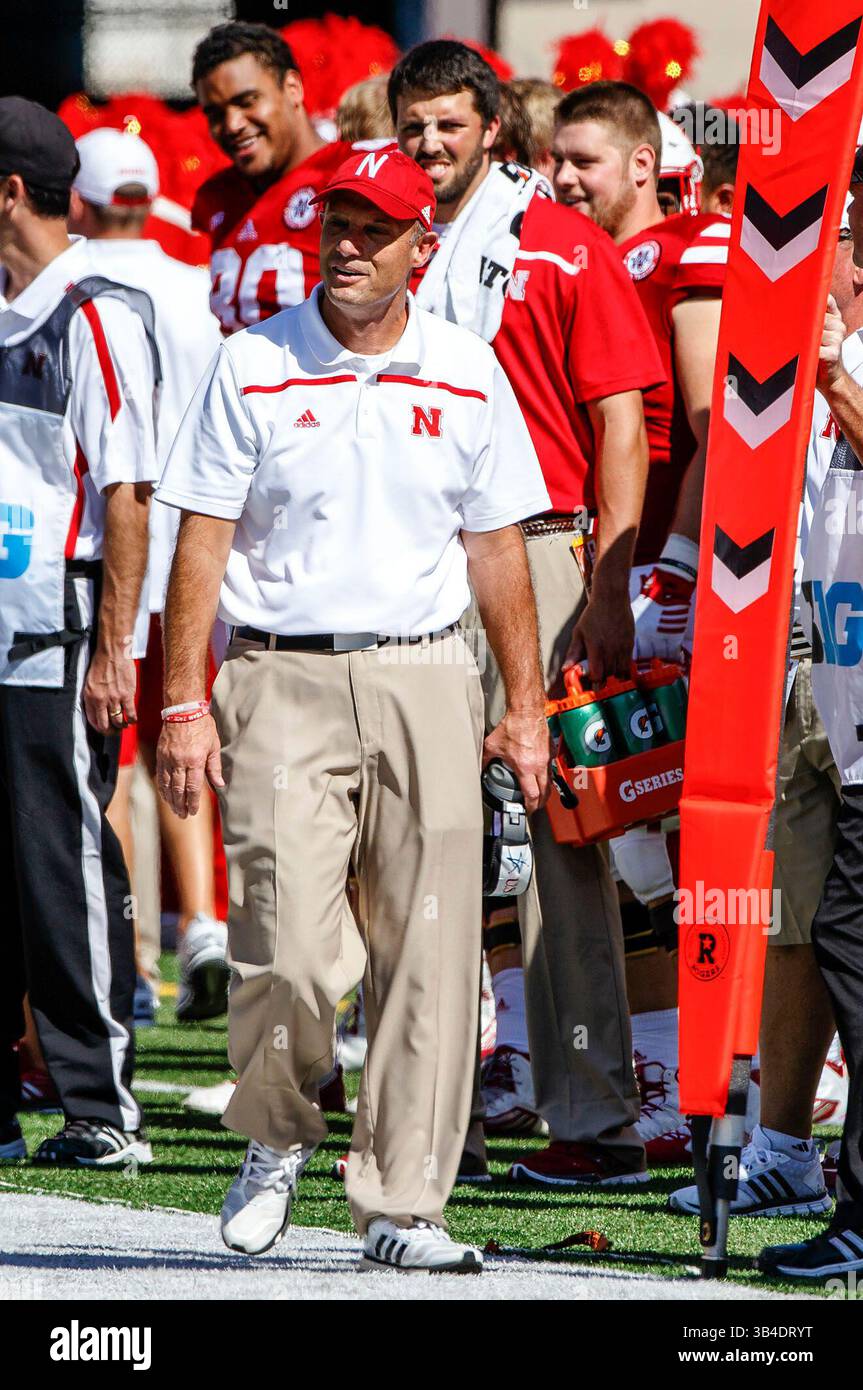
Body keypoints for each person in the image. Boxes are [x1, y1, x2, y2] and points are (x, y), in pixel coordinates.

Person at [153, 149, 552, 1272]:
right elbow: (204, 534)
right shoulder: (254, 361)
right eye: (334, 221)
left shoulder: (468, 368)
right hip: (280, 674)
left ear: (421, 248)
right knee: (282, 939)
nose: (346, 245)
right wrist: (183, 698)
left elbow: (497, 547)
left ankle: (402, 1205)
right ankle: (277, 1133)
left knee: (429, 950)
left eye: (373, 228)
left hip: (428, 673)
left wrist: (522, 706)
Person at [389, 40, 665, 1183]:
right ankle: (427, 1117)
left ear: (492, 128)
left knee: (560, 838)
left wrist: (606, 581)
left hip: (545, 549)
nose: (427, 145)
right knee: (417, 834)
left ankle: (593, 1116)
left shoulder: (560, 243)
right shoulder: (392, 239)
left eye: (447, 125)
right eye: (412, 127)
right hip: (416, 556)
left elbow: (618, 419)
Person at [552, 82, 728, 1163]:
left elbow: (712, 422)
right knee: (626, 836)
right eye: (556, 160)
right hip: (606, 566)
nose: (565, 179)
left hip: (668, 570)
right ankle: (666, 1070)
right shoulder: (588, 259)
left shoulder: (687, 249)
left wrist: (668, 568)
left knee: (669, 830)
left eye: (585, 161)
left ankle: (735, 1067)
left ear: (645, 162)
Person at [0, 98, 158, 1166]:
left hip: (55, 628)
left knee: (60, 859)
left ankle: (99, 1105)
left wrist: (115, 651)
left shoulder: (95, 312)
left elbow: (131, 493)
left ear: (9, 191)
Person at [68, 126, 229, 1024]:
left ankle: (129, 956)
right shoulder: (190, 282)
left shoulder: (66, 283)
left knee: (114, 762)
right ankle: (202, 920)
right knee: (184, 728)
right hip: (192, 539)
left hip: (107, 540)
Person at [757, 209, 863, 1277]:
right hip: (821, 645)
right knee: (816, 914)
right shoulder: (808, 323)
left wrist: (831, 380)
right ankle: (797, 1156)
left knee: (847, 925)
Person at [190, 20, 363, 334]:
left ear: (292, 88)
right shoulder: (215, 196)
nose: (232, 124)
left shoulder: (355, 174)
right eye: (215, 113)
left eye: (247, 102)